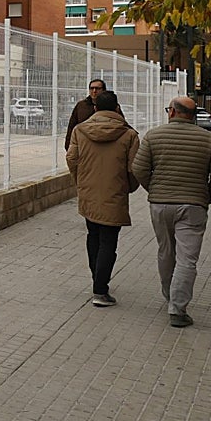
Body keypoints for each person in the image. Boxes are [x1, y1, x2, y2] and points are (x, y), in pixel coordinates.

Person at [132, 95, 211, 328]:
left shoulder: (153, 136)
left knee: (166, 251)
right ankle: (177, 308)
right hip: (193, 206)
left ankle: (169, 294)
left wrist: (155, 189)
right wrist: (205, 197)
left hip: (160, 204)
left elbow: (139, 168)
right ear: (193, 115)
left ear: (173, 112)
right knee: (188, 258)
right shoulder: (209, 139)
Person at [66, 90, 140, 307]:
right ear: (117, 108)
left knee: (93, 235)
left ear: (95, 108)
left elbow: (72, 158)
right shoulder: (129, 135)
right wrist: (128, 187)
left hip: (89, 191)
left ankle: (97, 279)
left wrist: (80, 181)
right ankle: (100, 289)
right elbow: (134, 167)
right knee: (109, 241)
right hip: (114, 193)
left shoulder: (80, 130)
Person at [65, 79, 126, 149]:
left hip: (108, 144)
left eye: (97, 88)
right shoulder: (81, 106)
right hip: (84, 145)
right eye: (91, 88)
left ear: (104, 90)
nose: (94, 91)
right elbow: (71, 126)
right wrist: (68, 146)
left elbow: (121, 123)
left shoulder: (112, 105)